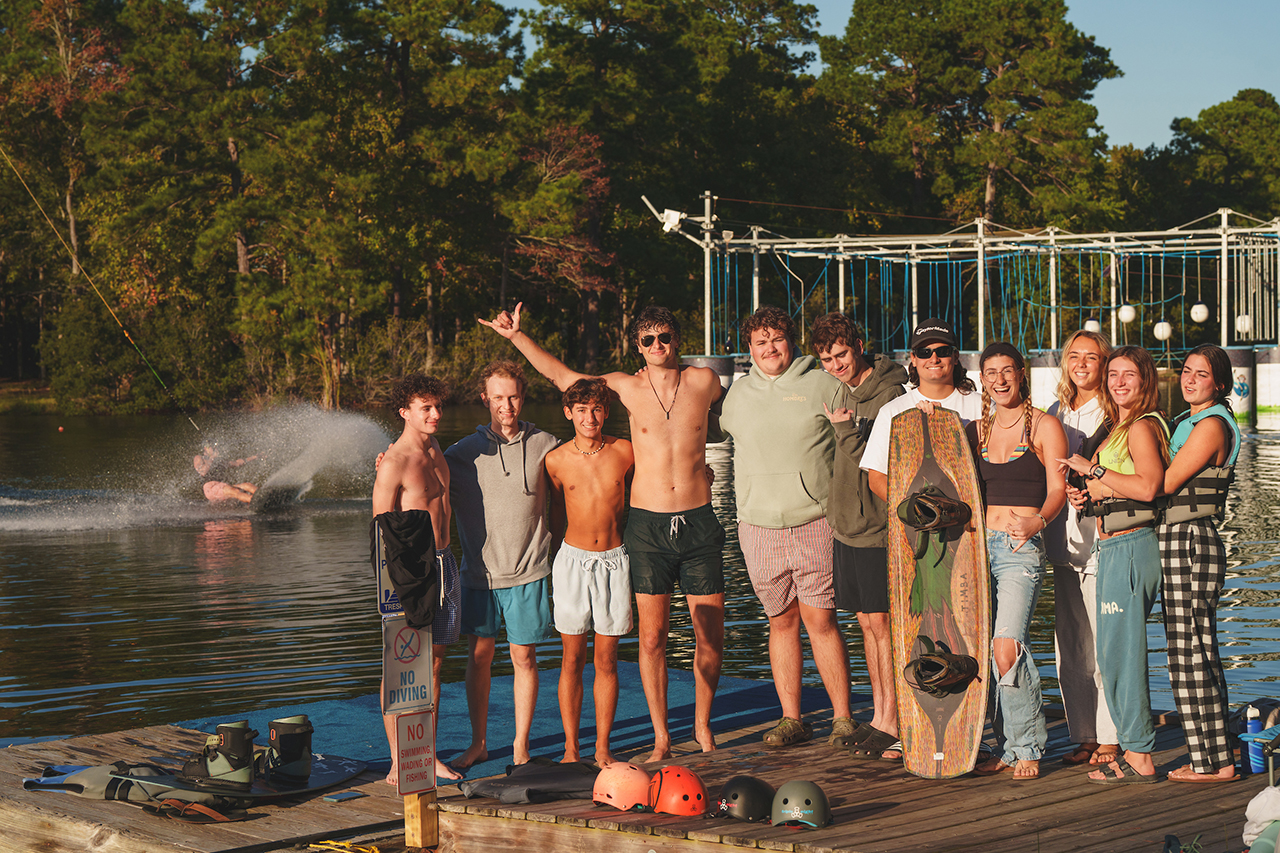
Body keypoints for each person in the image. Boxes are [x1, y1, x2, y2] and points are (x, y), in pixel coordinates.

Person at [480, 303, 725, 762]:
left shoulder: (705, 382)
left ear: (678, 338)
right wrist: (516, 338)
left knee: (710, 637)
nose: (658, 346)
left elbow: (742, 421)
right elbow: (562, 378)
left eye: (666, 337)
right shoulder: (625, 386)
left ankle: (703, 726)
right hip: (648, 525)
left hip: (698, 520)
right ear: (637, 345)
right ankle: (661, 738)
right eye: (648, 340)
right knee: (651, 640)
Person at [719, 307, 854, 749]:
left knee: (821, 620)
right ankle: (792, 718)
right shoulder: (736, 395)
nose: (769, 348)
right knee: (780, 621)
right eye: (760, 342)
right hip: (757, 528)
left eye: (776, 339)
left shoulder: (823, 383)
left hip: (814, 520)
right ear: (750, 348)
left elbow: (852, 448)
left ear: (790, 341)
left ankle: (842, 718)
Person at [859, 317, 981, 759]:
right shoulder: (896, 410)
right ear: (912, 360)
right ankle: (915, 727)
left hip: (971, 536)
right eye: (925, 353)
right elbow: (876, 477)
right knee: (924, 623)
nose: (935, 360)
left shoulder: (977, 405)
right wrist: (915, 515)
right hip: (918, 540)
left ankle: (985, 729)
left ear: (955, 358)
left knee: (974, 626)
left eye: (943, 352)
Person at [1059, 345, 1169, 784]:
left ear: (1145, 380)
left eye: (1129, 375)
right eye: (1114, 375)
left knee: (1121, 656)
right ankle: (1133, 746)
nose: (1119, 382)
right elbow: (1120, 487)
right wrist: (1087, 494)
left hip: (1131, 548)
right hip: (1109, 546)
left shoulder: (1141, 426)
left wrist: (1095, 472)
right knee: (1110, 652)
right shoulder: (1117, 426)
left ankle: (1139, 753)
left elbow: (1148, 486)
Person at [445, 360, 559, 768]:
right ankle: (478, 743)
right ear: (485, 400)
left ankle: (521, 745)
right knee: (479, 656)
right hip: (480, 576)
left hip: (530, 571)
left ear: (522, 397)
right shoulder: (460, 454)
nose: (506, 405)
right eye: (498, 398)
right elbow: (422, 476)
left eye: (512, 396)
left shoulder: (547, 444)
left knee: (524, 657)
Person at [966, 343, 1067, 780]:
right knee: (974, 650)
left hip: (1017, 549)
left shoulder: (1045, 426)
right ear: (982, 377)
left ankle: (1026, 745)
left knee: (1006, 647)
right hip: (972, 548)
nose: (1000, 380)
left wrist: (1036, 524)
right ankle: (993, 743)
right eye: (991, 372)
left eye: (1008, 371)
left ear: (1021, 373)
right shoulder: (975, 430)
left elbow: (1058, 491)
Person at [811, 312, 907, 757]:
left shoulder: (889, 394)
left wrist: (844, 428)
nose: (836, 364)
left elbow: (879, 462)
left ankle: (895, 720)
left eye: (842, 354)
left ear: (859, 345)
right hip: (846, 525)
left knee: (883, 624)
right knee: (867, 623)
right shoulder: (844, 390)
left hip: (876, 528)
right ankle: (880, 714)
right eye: (827, 359)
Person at [371, 374, 463, 783]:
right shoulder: (395, 461)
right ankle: (397, 758)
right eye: (425, 408)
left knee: (435, 666)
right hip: (409, 572)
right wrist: (396, 585)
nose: (435, 414)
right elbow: (379, 527)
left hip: (445, 563)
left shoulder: (436, 448)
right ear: (404, 412)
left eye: (438, 406)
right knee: (402, 664)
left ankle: (425, 753)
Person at [1159, 345, 1241, 783]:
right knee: (1192, 649)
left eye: (1201, 375)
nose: (1189, 380)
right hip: (1178, 536)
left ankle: (1212, 762)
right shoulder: (1185, 422)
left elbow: (1167, 482)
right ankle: (1216, 752)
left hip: (1191, 538)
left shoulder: (1210, 426)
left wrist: (1099, 476)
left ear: (1220, 384)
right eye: (1186, 371)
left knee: (1191, 651)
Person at [544, 378, 636, 766]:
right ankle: (570, 748)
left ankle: (601, 747)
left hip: (615, 559)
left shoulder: (625, 452)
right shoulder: (555, 460)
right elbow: (550, 512)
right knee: (571, 659)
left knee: (607, 659)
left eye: (596, 408)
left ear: (607, 411)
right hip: (572, 561)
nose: (589, 417)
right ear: (569, 413)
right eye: (581, 410)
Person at [1045, 330, 1119, 768]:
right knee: (1070, 645)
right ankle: (1084, 733)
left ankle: (1111, 736)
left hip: (1101, 540)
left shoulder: (1112, 414)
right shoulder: (1054, 412)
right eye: (1075, 356)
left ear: (1104, 364)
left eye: (1092, 357)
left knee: (1106, 643)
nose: (1083, 364)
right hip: (1061, 540)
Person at [194, 444, 258, 504]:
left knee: (247, 485)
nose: (215, 448)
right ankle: (256, 502)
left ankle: (262, 495)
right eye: (212, 447)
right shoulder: (199, 458)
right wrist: (212, 457)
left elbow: (237, 463)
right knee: (236, 492)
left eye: (215, 447)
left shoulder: (219, 460)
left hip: (222, 486)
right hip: (210, 487)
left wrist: (255, 457)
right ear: (206, 448)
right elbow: (203, 472)